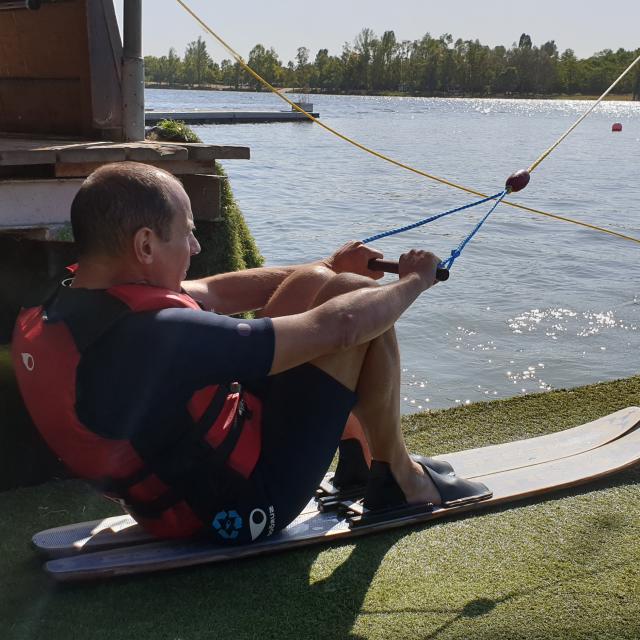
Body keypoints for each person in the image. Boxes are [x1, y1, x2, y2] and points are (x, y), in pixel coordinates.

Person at [12, 162, 489, 544]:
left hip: (183, 493)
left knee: (319, 282)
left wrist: (323, 265)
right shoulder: (157, 336)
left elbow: (215, 291)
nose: (197, 246)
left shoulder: (69, 304)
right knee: (356, 302)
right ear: (145, 245)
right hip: (240, 510)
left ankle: (359, 467)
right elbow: (341, 327)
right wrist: (414, 281)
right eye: (187, 234)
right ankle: (401, 479)